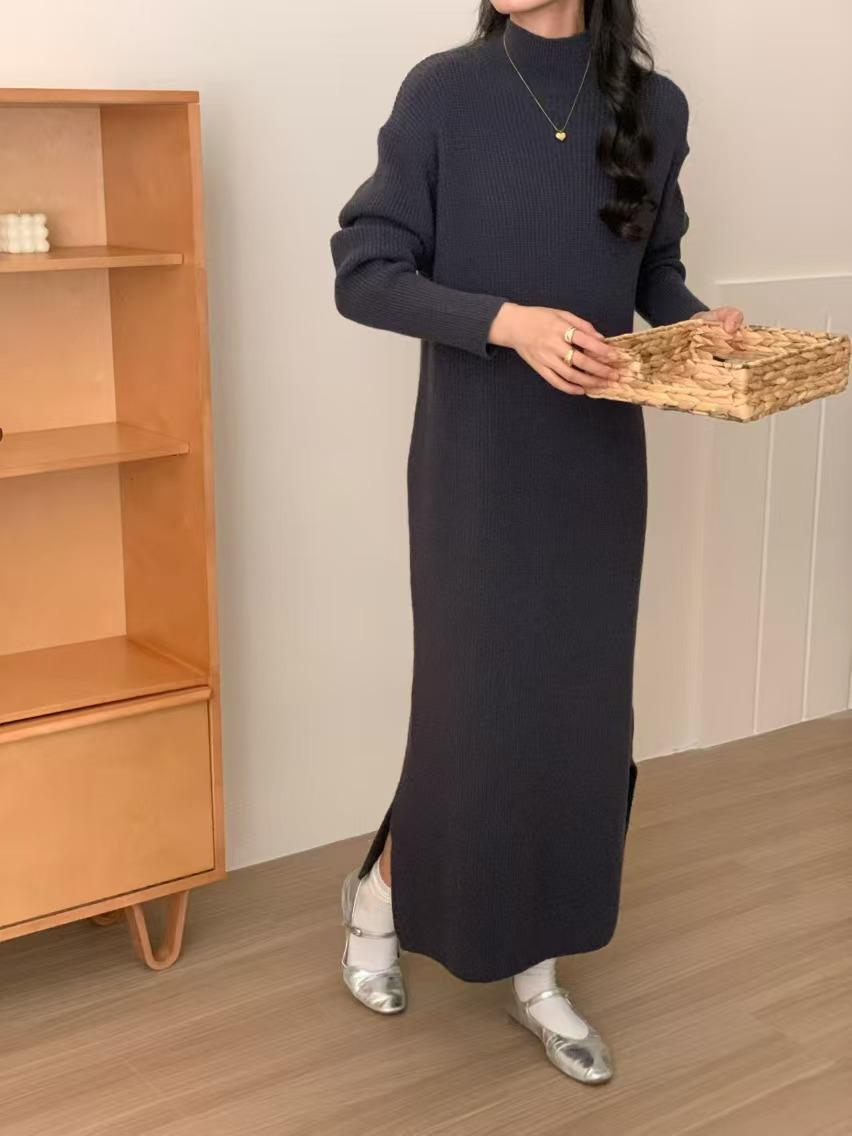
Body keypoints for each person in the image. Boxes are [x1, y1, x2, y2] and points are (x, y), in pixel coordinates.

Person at [329, 0, 743, 1085]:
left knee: (575, 717)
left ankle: (538, 966)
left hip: (597, 464)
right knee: (470, 707)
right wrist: (507, 323)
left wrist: (698, 325)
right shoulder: (445, 92)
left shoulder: (656, 107)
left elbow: (652, 274)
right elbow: (365, 271)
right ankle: (380, 894)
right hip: (475, 460)